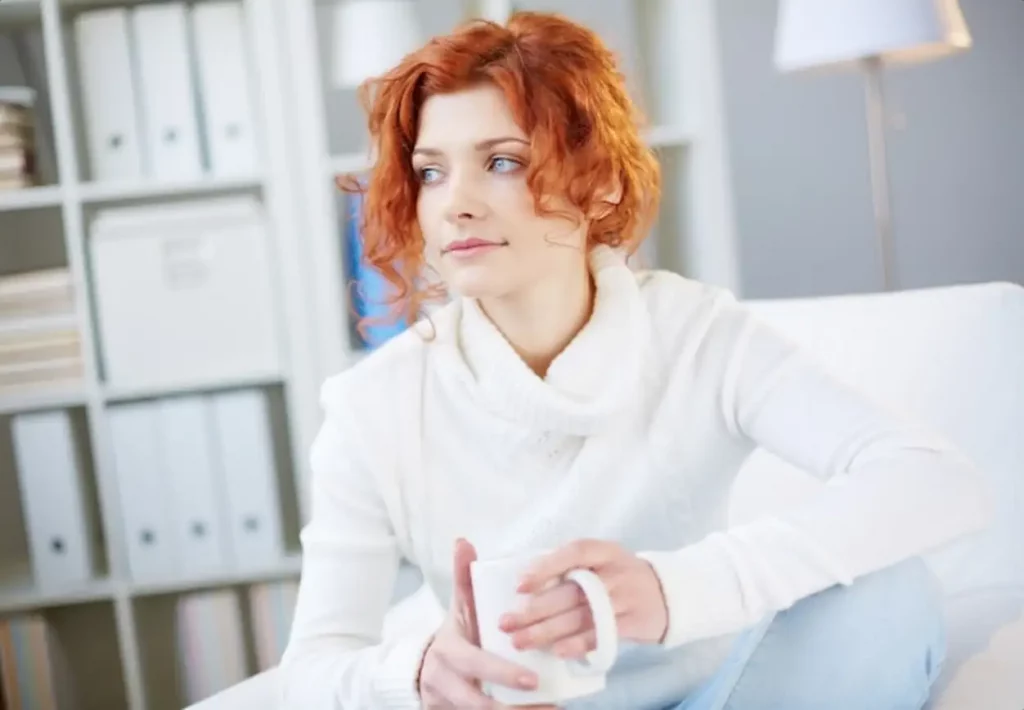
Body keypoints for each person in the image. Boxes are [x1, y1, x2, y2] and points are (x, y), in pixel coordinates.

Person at [279, 11, 992, 710]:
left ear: (602, 184)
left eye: (502, 162)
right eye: (431, 173)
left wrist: (676, 590)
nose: (455, 204)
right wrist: (416, 674)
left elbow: (935, 479)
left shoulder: (693, 335)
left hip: (734, 693)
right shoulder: (375, 406)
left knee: (891, 593)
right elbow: (310, 669)